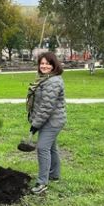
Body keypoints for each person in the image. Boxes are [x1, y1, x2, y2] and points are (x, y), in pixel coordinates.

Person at [26, 52, 67, 194]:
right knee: (51, 148)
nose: (44, 66)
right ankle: (54, 174)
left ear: (54, 65)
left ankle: (42, 183)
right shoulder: (45, 79)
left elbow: (46, 107)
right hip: (49, 120)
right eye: (42, 63)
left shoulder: (53, 82)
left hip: (52, 121)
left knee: (43, 148)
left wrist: (35, 125)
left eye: (47, 63)